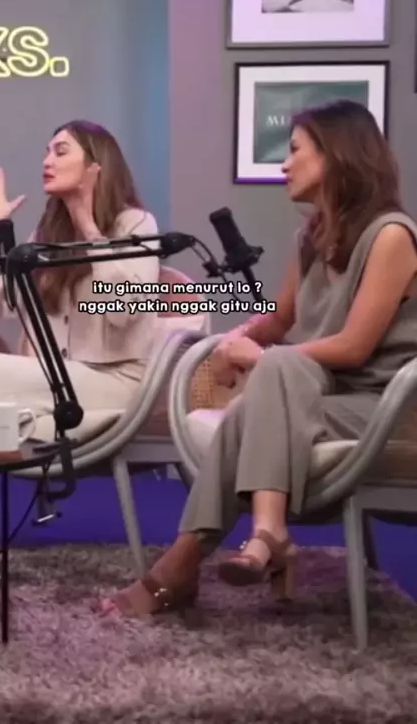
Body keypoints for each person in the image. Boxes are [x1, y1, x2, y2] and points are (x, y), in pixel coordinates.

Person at [99, 99, 417, 618]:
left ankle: (196, 560)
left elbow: (354, 346)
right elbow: (279, 320)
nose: (284, 164)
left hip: (385, 408)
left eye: (295, 151)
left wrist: (264, 356)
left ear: (337, 155)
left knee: (277, 370)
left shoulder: (391, 236)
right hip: (323, 396)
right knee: (262, 391)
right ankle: (258, 539)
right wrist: (237, 340)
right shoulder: (311, 238)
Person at [0, 120, 160, 533]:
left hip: (116, 382)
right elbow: (4, 301)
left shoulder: (136, 224)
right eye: (46, 151)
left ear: (95, 164)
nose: (46, 161)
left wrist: (90, 228)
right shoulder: (49, 231)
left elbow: (125, 309)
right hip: (57, 380)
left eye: (60, 151)